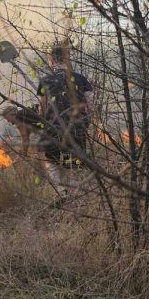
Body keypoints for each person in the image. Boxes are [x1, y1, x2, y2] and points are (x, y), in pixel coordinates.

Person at [36, 46, 94, 196]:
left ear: (52, 61)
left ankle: (61, 191)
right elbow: (90, 105)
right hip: (77, 125)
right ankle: (76, 193)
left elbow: (42, 108)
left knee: (49, 157)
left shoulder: (45, 81)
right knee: (75, 160)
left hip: (53, 126)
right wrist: (87, 123)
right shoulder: (81, 79)